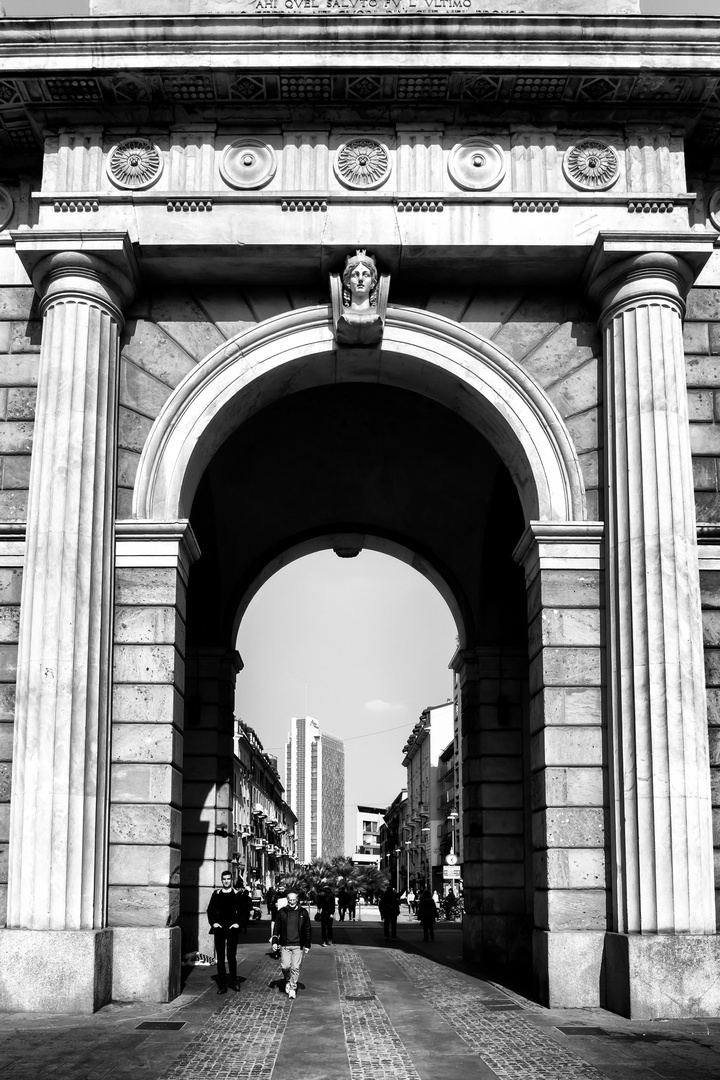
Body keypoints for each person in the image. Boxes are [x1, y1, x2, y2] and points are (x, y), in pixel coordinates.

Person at [271, 890, 311, 1000]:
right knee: (285, 966)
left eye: (294, 900)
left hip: (298, 945)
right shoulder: (282, 912)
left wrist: (307, 945)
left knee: (295, 967)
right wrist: (275, 940)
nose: (292, 902)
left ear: (297, 900)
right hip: (285, 944)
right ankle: (288, 979)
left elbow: (307, 928)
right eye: (290, 900)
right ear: (287, 900)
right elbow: (277, 927)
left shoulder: (303, 912)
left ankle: (293, 987)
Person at [207, 870, 241, 993]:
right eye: (224, 879)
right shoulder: (216, 894)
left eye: (228, 879)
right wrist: (213, 923)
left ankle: (234, 980)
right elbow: (210, 910)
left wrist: (238, 923)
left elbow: (243, 911)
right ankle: (222, 984)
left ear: (231, 880)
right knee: (220, 958)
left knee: (231, 956)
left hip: (232, 929)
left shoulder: (237, 894)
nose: (226, 881)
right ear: (222, 880)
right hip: (219, 928)